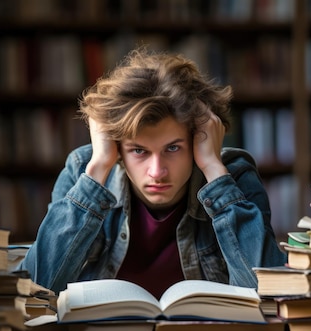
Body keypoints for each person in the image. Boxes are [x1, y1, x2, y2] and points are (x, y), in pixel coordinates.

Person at [18, 47, 286, 298]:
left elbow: (268, 293)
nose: (157, 172)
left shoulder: (234, 176)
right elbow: (37, 289)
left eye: (172, 148)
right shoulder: (84, 171)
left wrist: (214, 169)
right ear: (117, 147)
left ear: (197, 141)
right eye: (139, 151)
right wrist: (99, 165)